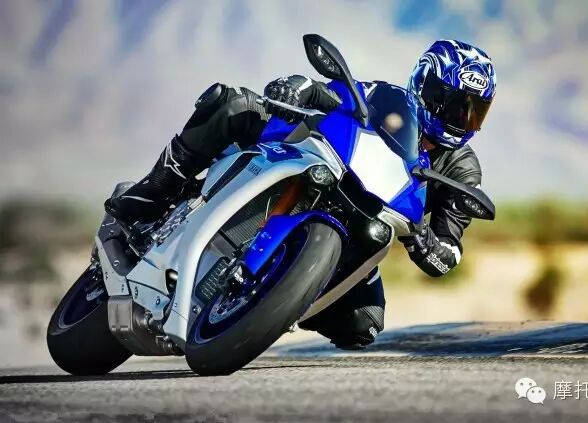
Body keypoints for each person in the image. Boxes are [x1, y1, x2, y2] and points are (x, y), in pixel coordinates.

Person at [105, 39, 496, 349]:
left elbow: (449, 248)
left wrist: (430, 244)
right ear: (426, 88)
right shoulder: (389, 100)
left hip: (360, 230)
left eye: (475, 111)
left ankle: (275, 301)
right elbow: (338, 94)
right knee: (233, 104)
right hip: (321, 170)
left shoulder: (463, 170)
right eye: (455, 105)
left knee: (362, 324)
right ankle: (153, 192)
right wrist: (300, 87)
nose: (463, 119)